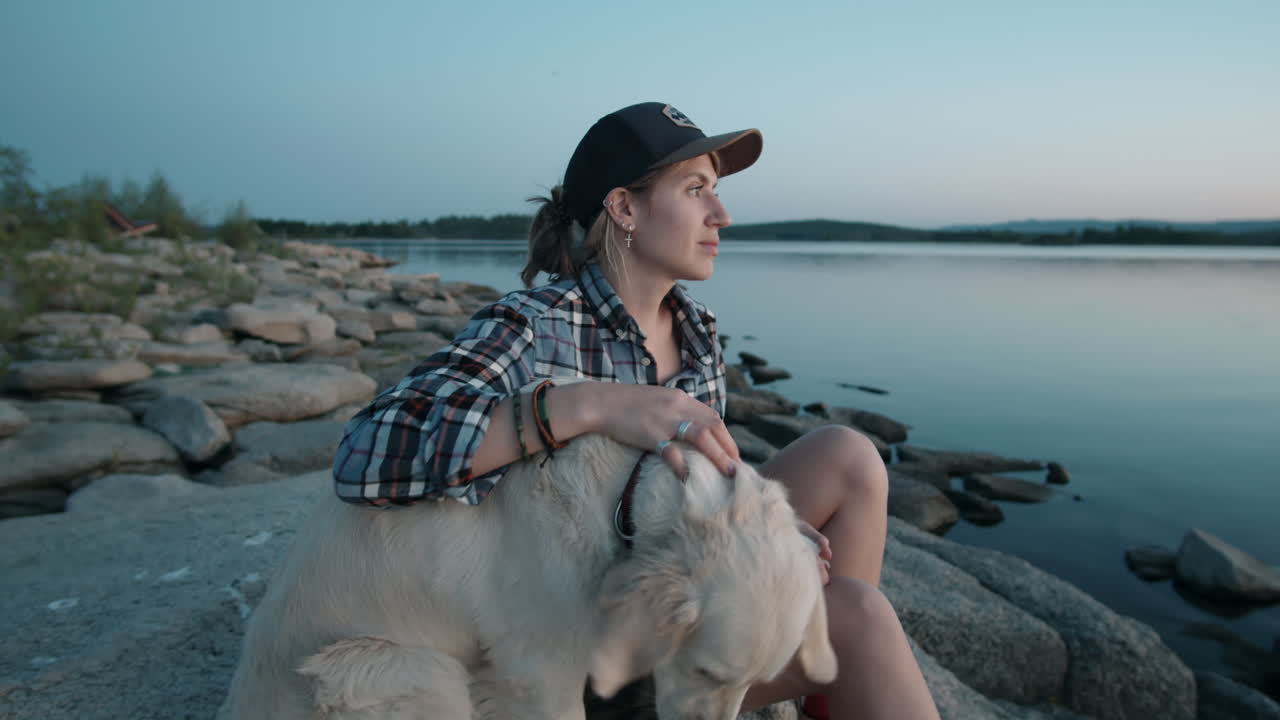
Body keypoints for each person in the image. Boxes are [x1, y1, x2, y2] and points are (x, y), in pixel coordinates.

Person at [332, 101, 941, 720]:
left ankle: (830, 701)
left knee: (848, 456)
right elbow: (366, 454)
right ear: (624, 208)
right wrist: (591, 405)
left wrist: (761, 529)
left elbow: (681, 496)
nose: (722, 214)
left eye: (717, 191)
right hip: (568, 650)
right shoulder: (533, 326)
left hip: (662, 596)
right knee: (859, 618)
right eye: (696, 189)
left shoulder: (697, 333)